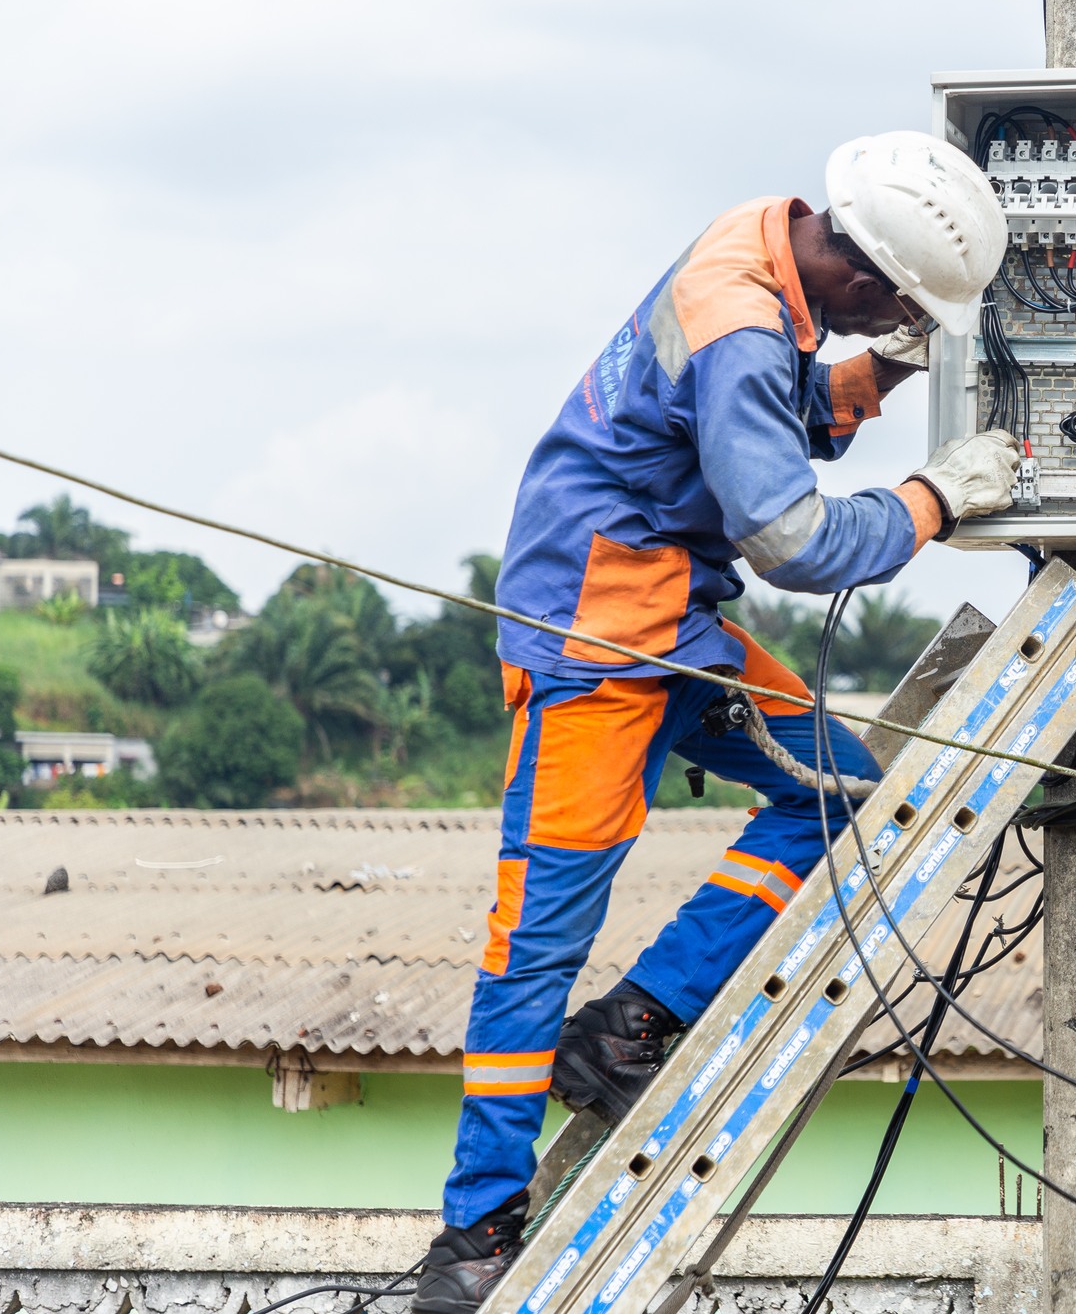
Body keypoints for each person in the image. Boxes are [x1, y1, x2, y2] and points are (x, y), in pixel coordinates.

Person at [412, 130, 1017, 1313]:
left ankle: (631, 1025)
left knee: (842, 792)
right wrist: (933, 500)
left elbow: (762, 418)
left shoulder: (764, 239)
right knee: (535, 940)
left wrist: (882, 373)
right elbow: (793, 537)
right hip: (596, 636)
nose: (896, 323)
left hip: (673, 615)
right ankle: (474, 1231)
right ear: (862, 274)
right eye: (900, 311)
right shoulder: (741, 316)